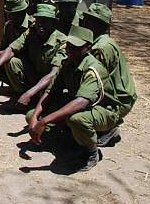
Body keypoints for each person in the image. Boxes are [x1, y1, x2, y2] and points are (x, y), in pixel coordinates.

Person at [27, 25, 120, 172]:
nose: (69, 49)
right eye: (69, 45)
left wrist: (45, 120)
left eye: (75, 47)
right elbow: (50, 93)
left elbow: (82, 102)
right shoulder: (68, 63)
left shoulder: (92, 69)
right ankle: (69, 140)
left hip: (104, 111)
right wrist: (35, 118)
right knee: (31, 115)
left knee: (77, 120)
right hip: (80, 105)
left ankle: (92, 152)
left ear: (88, 48)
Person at [80, 3, 137, 146]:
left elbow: (96, 81)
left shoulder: (101, 47)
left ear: (97, 24)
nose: (84, 23)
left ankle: (109, 126)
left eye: (88, 20)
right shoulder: (100, 41)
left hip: (118, 99)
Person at [0, 4, 66, 98]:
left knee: (48, 98)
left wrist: (30, 93)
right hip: (33, 75)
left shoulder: (62, 41)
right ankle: (20, 94)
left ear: (53, 23)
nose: (40, 24)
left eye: (44, 22)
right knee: (11, 62)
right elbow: (11, 49)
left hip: (49, 82)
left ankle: (30, 97)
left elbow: (54, 74)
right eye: (38, 21)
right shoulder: (31, 32)